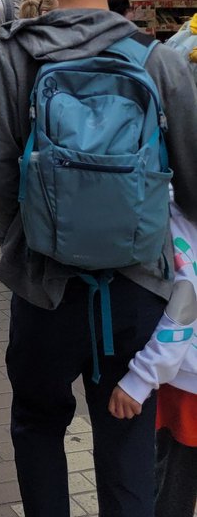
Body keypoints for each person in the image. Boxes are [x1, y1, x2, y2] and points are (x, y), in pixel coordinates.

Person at [0, 0, 197, 517]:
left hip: (44, 285)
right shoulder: (158, 60)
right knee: (127, 441)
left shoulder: (17, 52)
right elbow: (193, 181)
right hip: (136, 293)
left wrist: (28, 241)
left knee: (38, 426)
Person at [109, 189, 197, 517]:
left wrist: (141, 378)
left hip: (188, 388)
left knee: (176, 481)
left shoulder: (176, 215)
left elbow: (184, 306)